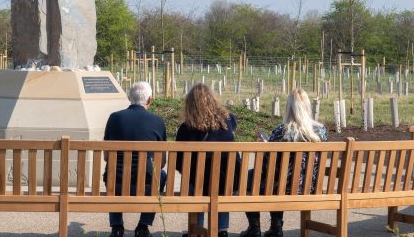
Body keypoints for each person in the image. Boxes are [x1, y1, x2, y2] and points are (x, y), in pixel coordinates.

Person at [240, 88, 328, 237]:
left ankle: (257, 228)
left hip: (280, 187)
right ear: (307, 107)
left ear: (288, 108)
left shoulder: (281, 131)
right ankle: (275, 228)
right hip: (309, 187)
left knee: (253, 177)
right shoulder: (321, 131)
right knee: (278, 180)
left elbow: (267, 166)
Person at [175, 83, 241, 237]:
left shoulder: (185, 128)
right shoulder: (229, 120)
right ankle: (222, 229)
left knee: (195, 183)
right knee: (222, 184)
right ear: (213, 100)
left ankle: (197, 229)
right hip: (228, 183)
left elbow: (179, 162)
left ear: (190, 104)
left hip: (199, 184)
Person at [103, 81, 167, 237]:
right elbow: (162, 162)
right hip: (145, 183)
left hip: (116, 183)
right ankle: (143, 226)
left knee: (110, 171)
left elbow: (106, 156)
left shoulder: (114, 118)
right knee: (161, 175)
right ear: (149, 100)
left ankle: (117, 226)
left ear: (129, 97)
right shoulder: (157, 121)